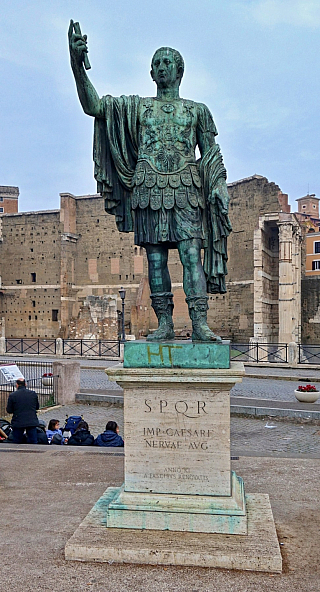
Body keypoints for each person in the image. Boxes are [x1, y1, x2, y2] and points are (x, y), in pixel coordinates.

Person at [69, 23, 232, 342]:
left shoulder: (197, 110)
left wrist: (219, 186)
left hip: (186, 189)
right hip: (148, 189)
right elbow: (94, 107)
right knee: (155, 259)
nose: (160, 67)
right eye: (156, 63)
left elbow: (211, 153)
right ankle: (165, 323)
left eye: (166, 62)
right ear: (151, 73)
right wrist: (77, 64)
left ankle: (199, 322)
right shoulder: (138, 107)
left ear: (179, 70)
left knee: (190, 255)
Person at [6, 379, 40, 444]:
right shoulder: (33, 394)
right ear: (25, 384)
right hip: (31, 420)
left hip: (18, 421)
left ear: (17, 385)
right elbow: (37, 407)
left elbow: (9, 410)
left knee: (17, 442)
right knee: (33, 442)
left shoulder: (13, 395)